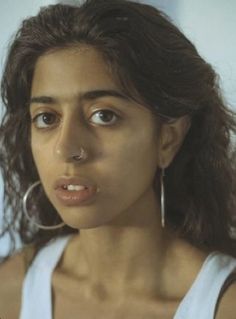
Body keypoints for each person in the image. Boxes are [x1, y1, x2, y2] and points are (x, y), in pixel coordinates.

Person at [0, 0, 236, 318]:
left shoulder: (223, 306)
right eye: (46, 118)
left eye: (104, 115)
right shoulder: (10, 289)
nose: (67, 148)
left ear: (168, 138)